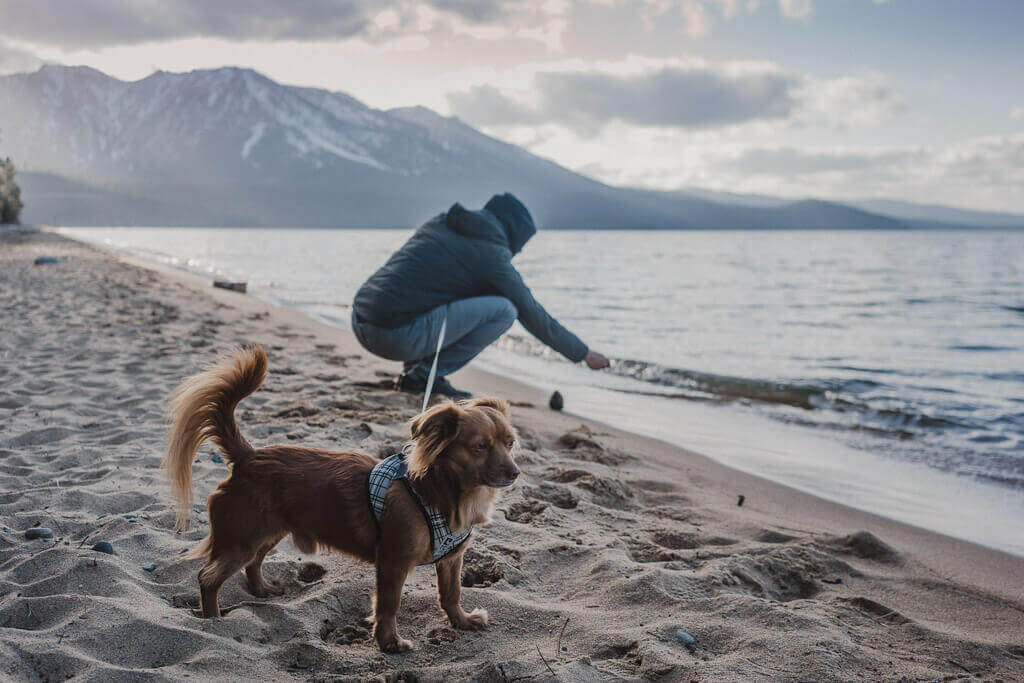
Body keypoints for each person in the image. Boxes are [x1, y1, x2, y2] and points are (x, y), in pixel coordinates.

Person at [351, 193, 610, 399]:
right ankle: (423, 376)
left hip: (360, 318)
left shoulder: (441, 222)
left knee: (434, 291)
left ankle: (419, 372)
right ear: (514, 236)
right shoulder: (491, 256)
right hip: (391, 337)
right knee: (505, 310)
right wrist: (584, 354)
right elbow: (531, 313)